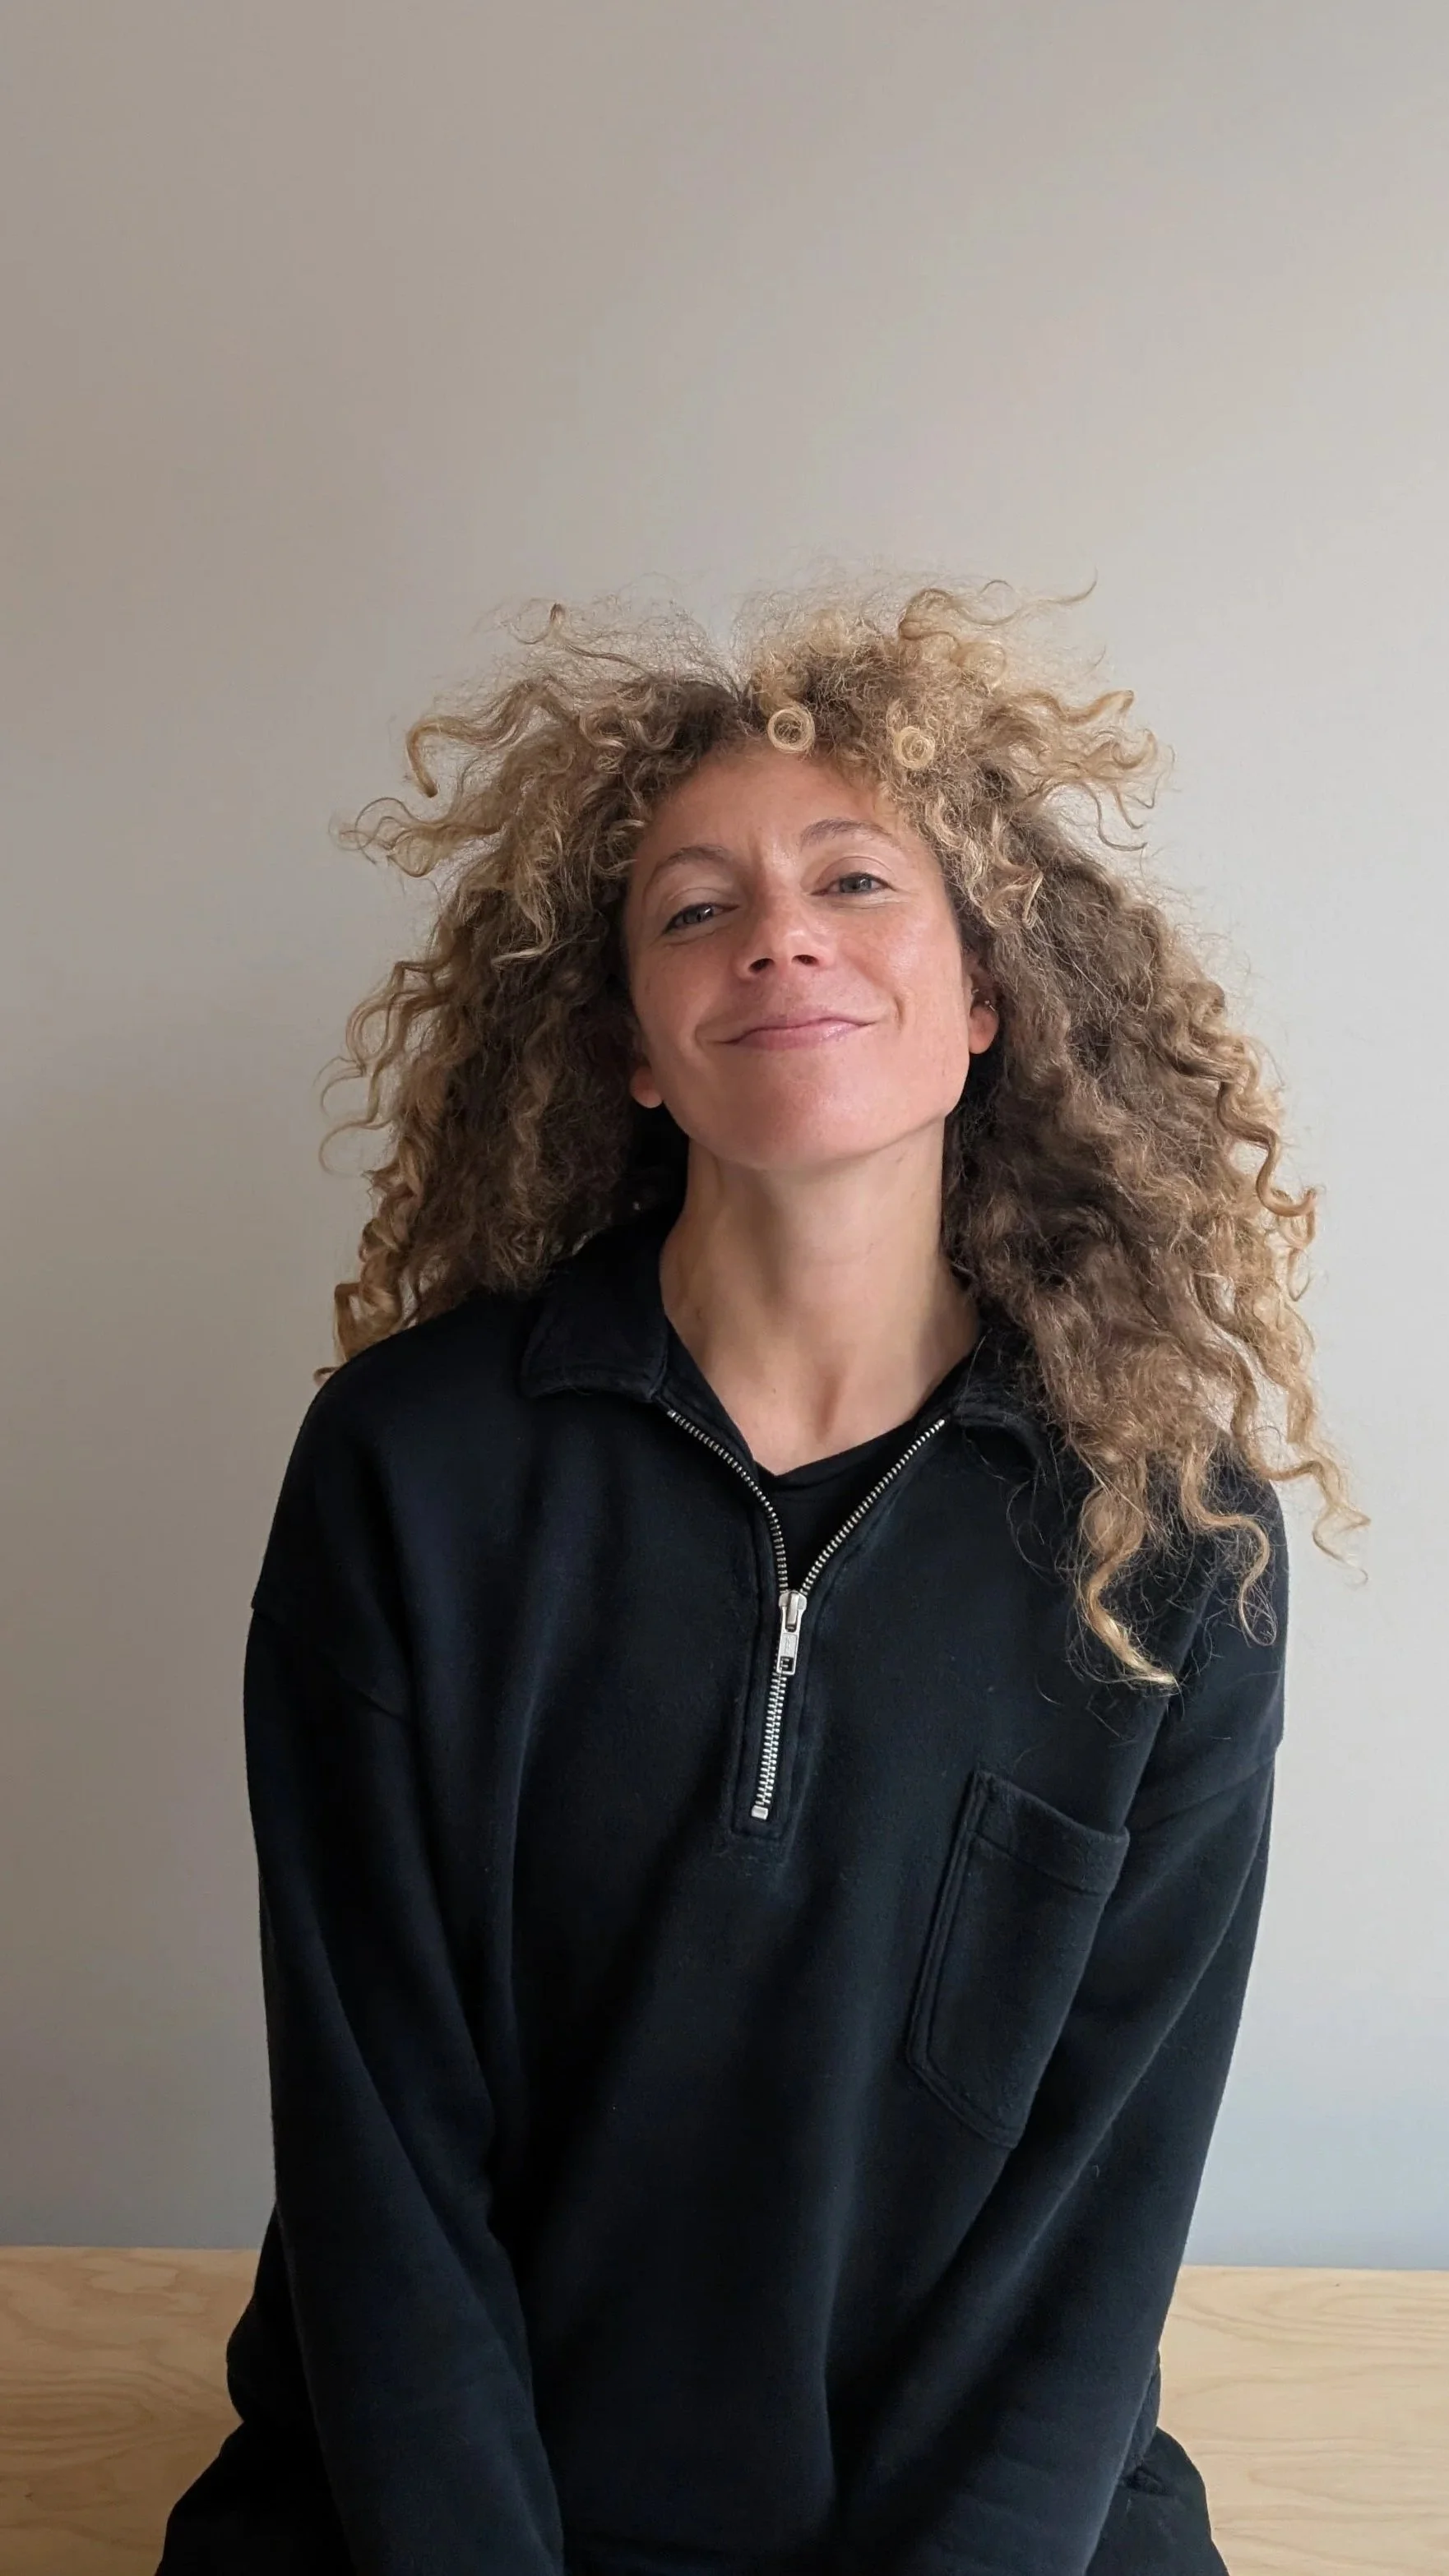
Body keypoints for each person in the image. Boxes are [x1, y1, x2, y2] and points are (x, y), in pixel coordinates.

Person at [155, 582, 1362, 2576]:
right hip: (439, 2502)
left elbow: (1095, 2203)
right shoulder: (412, 1472)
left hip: (982, 2522)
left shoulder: (1171, 1537)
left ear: (987, 997)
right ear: (630, 1047)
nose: (778, 932)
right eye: (692, 906)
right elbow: (378, 2157)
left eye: (855, 880)